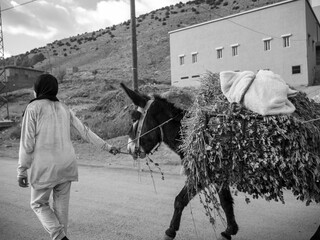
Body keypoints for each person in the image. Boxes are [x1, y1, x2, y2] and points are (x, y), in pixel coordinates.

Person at [17, 73, 119, 240]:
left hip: (45, 167)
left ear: (38, 90)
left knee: (38, 204)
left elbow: (27, 143)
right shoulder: (64, 108)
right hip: (67, 166)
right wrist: (107, 147)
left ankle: (59, 236)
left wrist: (21, 170)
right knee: (61, 213)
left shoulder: (33, 108)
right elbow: (85, 132)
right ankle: (61, 236)